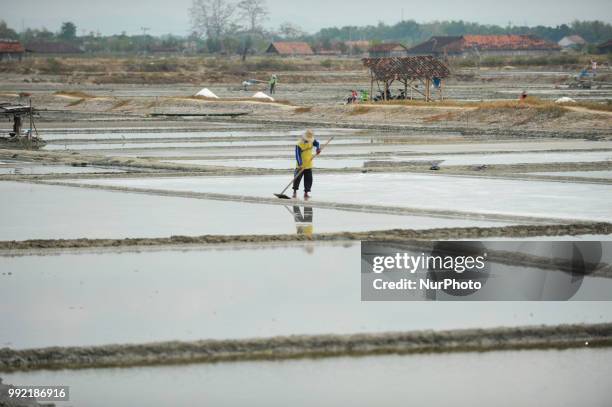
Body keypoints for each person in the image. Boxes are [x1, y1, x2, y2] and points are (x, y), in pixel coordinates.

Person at [293, 130, 321, 200]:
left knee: (309, 179)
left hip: (309, 163)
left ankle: (306, 193)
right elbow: (297, 155)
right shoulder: (299, 144)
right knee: (297, 178)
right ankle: (294, 192)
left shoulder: (312, 140)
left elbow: (317, 143)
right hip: (300, 165)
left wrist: (318, 149)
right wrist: (300, 163)